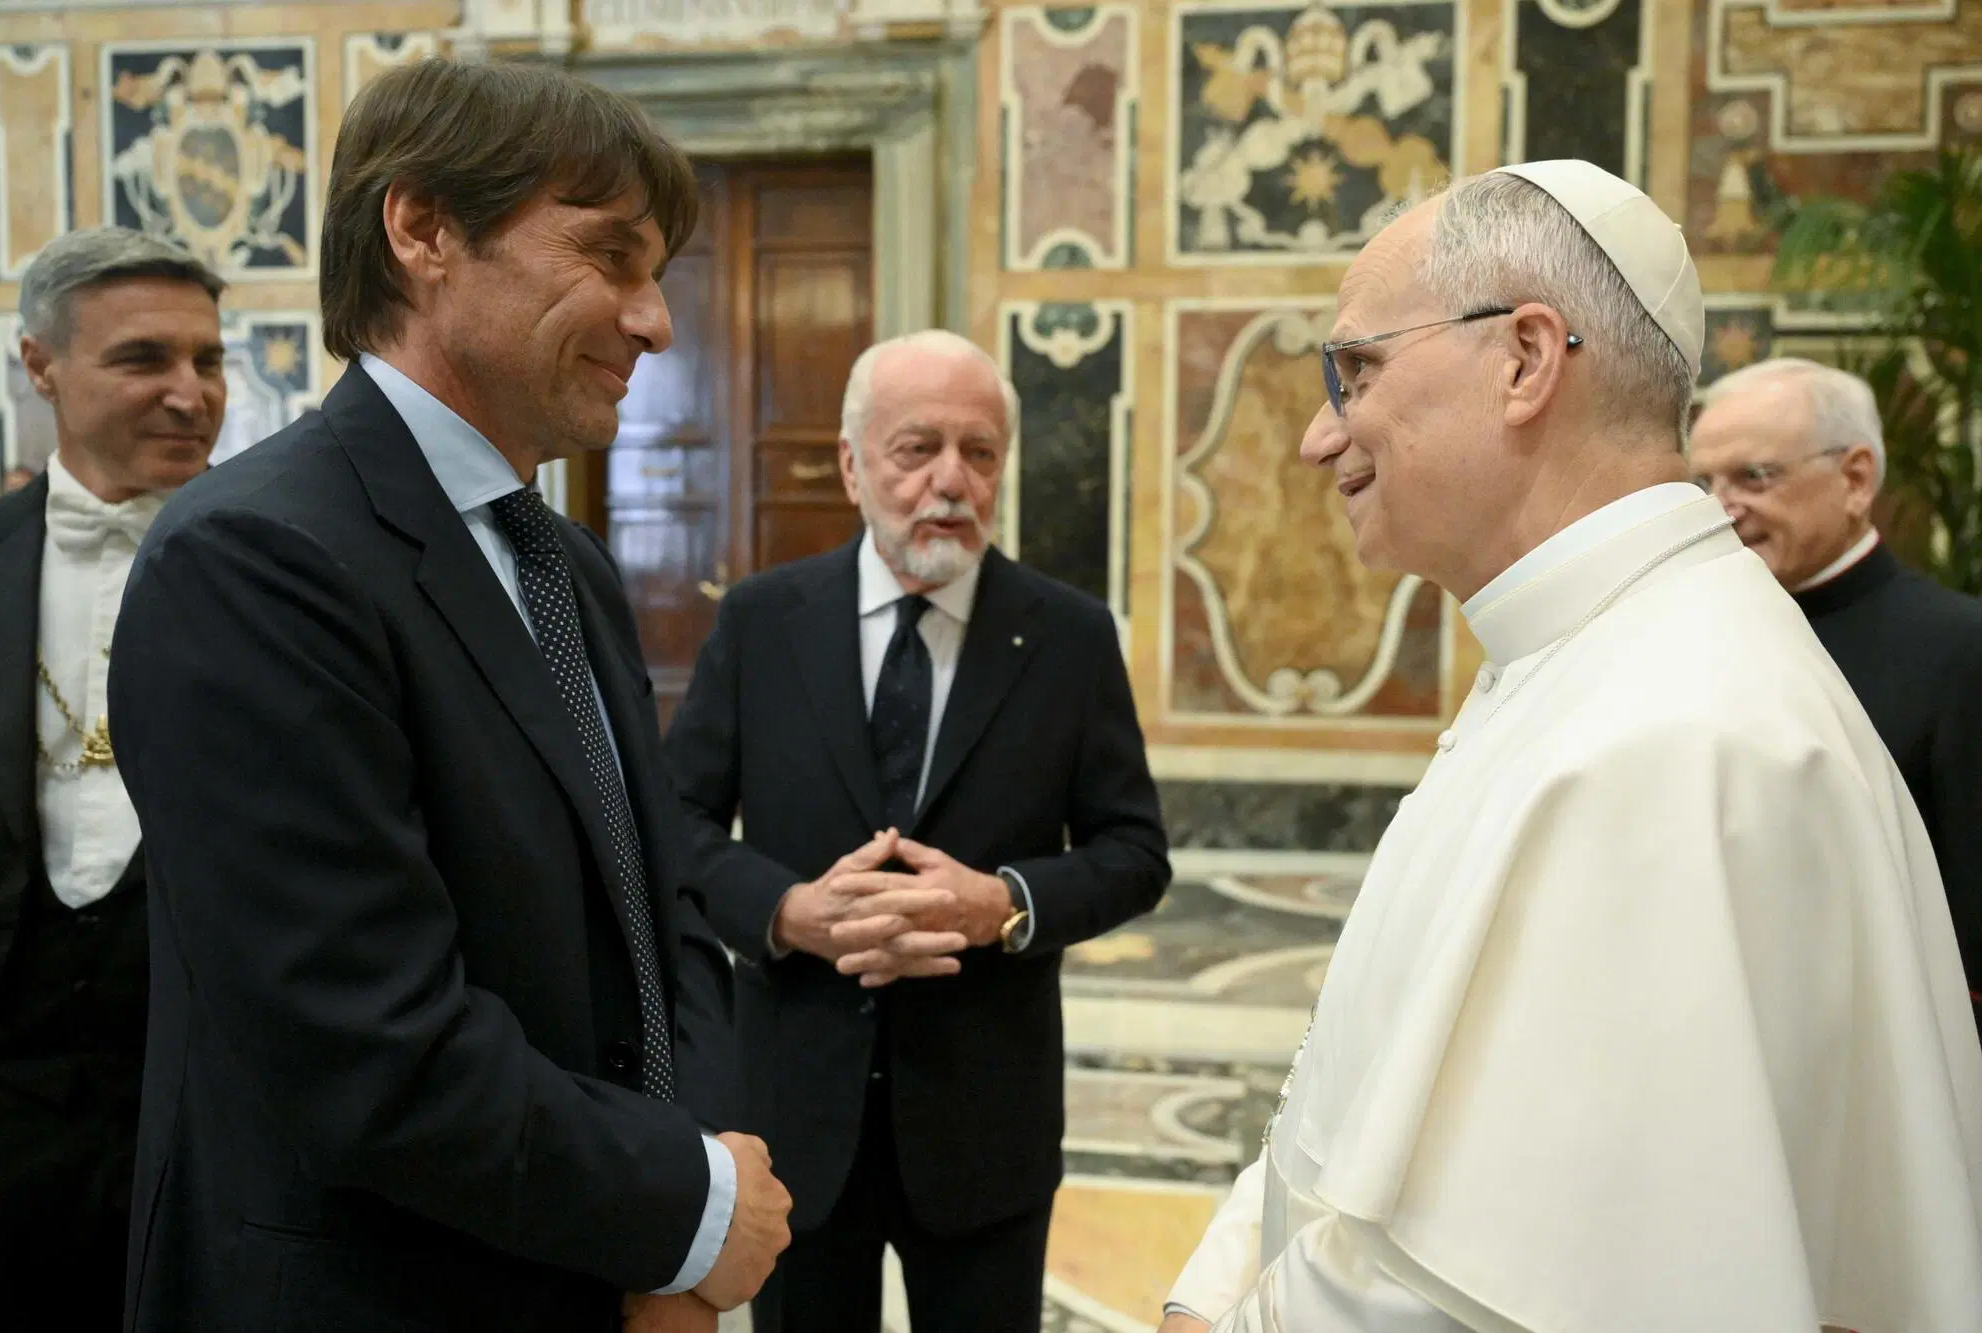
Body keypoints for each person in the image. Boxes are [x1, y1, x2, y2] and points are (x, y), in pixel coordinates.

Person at [1160, 161, 1982, 1331]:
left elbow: (1503, 1287)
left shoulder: (1677, 732)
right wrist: (1215, 1278)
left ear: (1525, 359)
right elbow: (1356, 1094)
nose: (1312, 435)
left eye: (1354, 370)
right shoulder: (1582, 656)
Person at [105, 60, 788, 1333]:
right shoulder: (254, 557)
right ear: (421, 230)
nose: (655, 322)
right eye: (610, 258)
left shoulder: (560, 559)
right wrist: (684, 1205)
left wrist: (676, 1226)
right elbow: (360, 1040)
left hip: (591, 1266)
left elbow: (656, 912)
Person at [662, 328, 1171, 1333]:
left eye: (978, 453)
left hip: (985, 1123)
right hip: (798, 1118)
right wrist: (786, 911)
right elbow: (673, 825)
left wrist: (1005, 904)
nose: (950, 480)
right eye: (915, 449)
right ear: (854, 465)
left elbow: (1132, 851)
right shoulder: (762, 622)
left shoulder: (1067, 637)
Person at [0, 227, 224, 1331]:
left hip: (217, 1107)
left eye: (207, 361)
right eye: (143, 360)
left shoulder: (289, 565)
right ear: (39, 366)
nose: (190, 394)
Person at [1691, 357, 1982, 1034]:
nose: (1720, 510)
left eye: (1753, 477)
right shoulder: (1696, 638)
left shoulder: (1961, 650)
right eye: (1703, 483)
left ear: (1855, 479)